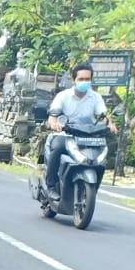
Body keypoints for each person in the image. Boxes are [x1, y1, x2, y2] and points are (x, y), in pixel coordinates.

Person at [43, 62, 109, 200]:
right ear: (73, 80)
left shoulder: (96, 97)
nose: (84, 82)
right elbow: (52, 117)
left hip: (88, 137)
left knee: (102, 159)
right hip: (65, 135)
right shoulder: (63, 96)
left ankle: (92, 188)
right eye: (81, 79)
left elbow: (103, 116)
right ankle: (50, 186)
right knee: (57, 149)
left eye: (88, 79)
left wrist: (110, 125)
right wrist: (54, 124)